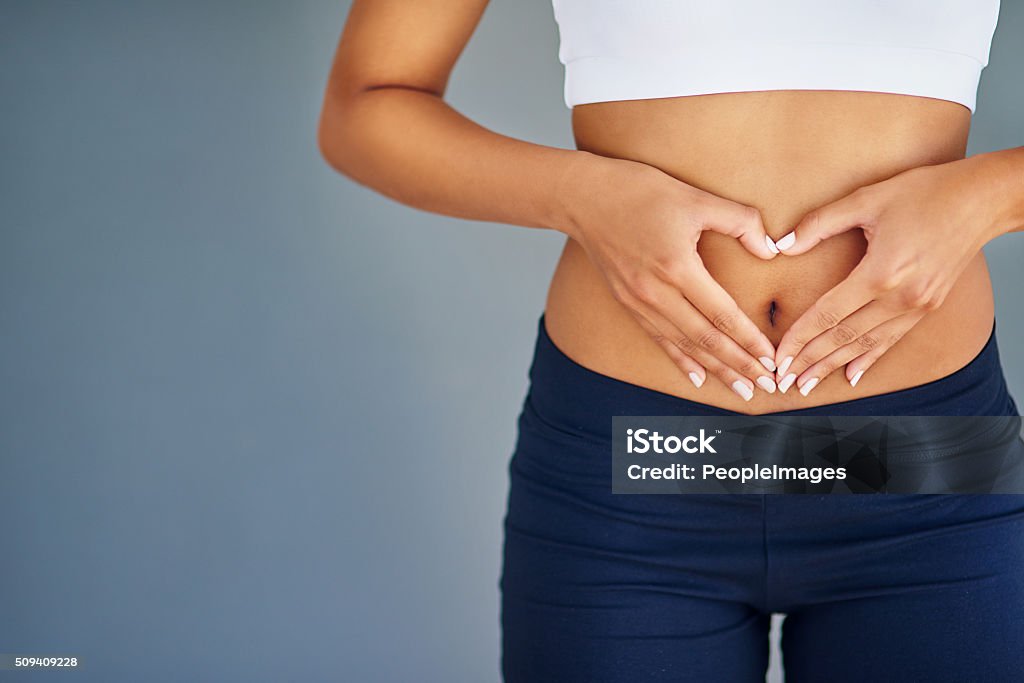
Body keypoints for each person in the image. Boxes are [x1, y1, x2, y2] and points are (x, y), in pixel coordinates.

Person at [318, 1, 1024, 680]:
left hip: (925, 481)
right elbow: (365, 106)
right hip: (633, 484)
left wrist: (986, 196)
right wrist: (583, 195)